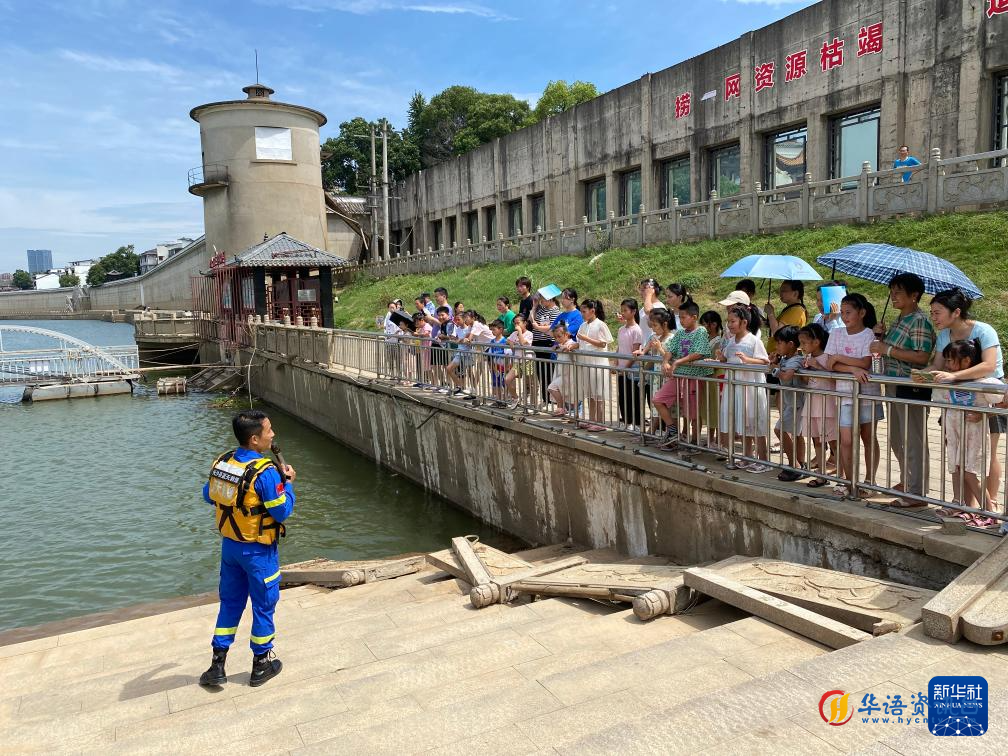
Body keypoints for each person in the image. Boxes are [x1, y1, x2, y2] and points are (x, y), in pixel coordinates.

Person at [199, 410, 295, 688]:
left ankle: (217, 665)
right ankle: (261, 665)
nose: (273, 434)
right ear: (254, 439)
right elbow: (282, 512)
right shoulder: (266, 472)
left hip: (230, 548)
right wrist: (288, 484)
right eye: (269, 430)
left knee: (230, 603)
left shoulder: (223, 462)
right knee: (263, 605)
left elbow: (208, 495)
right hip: (258, 552)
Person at [921, 288, 1005, 509]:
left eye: (937, 312)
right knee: (957, 453)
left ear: (956, 312)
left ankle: (990, 505)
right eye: (932, 313)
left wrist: (955, 376)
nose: (934, 318)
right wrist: (921, 375)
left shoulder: (984, 331)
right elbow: (938, 366)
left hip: (987, 395)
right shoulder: (944, 335)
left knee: (986, 453)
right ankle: (963, 504)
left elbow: (988, 365)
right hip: (956, 398)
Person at [868, 273, 935, 507]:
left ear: (914, 295)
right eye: (892, 292)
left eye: (898, 292)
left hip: (910, 386)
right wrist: (881, 336)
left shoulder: (919, 320)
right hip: (894, 385)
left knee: (913, 440)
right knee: (898, 439)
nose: (893, 296)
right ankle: (909, 482)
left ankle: (917, 493)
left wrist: (886, 349)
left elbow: (922, 356)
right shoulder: (900, 319)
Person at [932, 339, 1006, 520]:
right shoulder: (948, 383)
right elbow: (939, 398)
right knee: (956, 468)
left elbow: (1001, 402)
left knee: (970, 472)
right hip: (955, 434)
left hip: (974, 436)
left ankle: (988, 511)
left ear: (966, 361)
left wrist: (984, 414)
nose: (946, 365)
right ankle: (960, 504)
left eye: (950, 360)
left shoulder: (984, 382)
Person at [825, 293, 883, 498]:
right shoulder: (836, 333)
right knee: (847, 440)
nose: (844, 316)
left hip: (867, 393)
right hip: (844, 394)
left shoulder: (869, 334)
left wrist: (840, 359)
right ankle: (849, 480)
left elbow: (866, 362)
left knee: (868, 437)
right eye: (842, 312)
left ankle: (869, 480)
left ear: (862, 313)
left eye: (848, 312)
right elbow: (830, 363)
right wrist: (851, 368)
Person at [652, 301, 711, 449]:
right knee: (658, 399)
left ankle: (694, 442)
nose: (681, 320)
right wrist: (666, 361)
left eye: (684, 317)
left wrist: (678, 361)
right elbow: (670, 349)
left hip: (693, 377)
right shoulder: (680, 333)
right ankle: (672, 430)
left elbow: (699, 353)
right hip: (678, 376)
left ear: (694, 317)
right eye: (680, 317)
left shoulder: (701, 331)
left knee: (693, 412)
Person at [719, 305, 770, 471]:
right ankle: (747, 457)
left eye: (733, 321)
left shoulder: (754, 341)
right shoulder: (731, 341)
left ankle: (764, 460)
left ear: (744, 322)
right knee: (743, 422)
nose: (730, 325)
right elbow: (727, 358)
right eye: (728, 321)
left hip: (751, 387)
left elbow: (765, 361)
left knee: (755, 422)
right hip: (735, 388)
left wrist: (748, 360)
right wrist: (720, 358)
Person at [798, 323, 838, 487]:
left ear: (816, 342)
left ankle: (843, 475)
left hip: (827, 405)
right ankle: (821, 474)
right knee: (817, 440)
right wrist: (805, 370)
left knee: (833, 441)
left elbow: (833, 378)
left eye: (804, 342)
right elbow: (806, 380)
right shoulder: (807, 358)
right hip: (812, 402)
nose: (802, 346)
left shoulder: (827, 357)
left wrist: (817, 366)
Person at [571, 298, 613, 432]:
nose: (582, 314)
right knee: (590, 393)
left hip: (598, 363)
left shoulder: (600, 325)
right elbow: (580, 343)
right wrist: (572, 346)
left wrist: (586, 339)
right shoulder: (583, 325)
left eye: (584, 311)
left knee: (599, 393)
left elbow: (603, 343)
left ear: (592, 311)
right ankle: (591, 419)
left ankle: (601, 421)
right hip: (586, 362)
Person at [771, 325, 807, 481]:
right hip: (791, 403)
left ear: (791, 344)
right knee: (797, 434)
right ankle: (800, 463)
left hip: (796, 403)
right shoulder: (786, 359)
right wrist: (775, 363)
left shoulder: (796, 360)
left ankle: (795, 465)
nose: (777, 346)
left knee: (779, 430)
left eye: (779, 343)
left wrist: (775, 369)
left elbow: (786, 376)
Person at [530, 290, 562, 407]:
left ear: (550, 298)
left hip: (548, 343)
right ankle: (545, 399)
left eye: (543, 298)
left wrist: (538, 327)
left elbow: (553, 327)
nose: (541, 301)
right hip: (537, 342)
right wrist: (534, 307)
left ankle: (551, 400)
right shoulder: (541, 309)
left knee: (549, 372)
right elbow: (531, 320)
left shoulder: (555, 310)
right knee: (541, 373)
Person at [616, 299, 644, 430]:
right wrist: (616, 363)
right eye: (622, 310)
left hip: (632, 368)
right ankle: (626, 420)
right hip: (621, 368)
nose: (623, 313)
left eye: (625, 310)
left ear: (633, 312)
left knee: (633, 396)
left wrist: (626, 367)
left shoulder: (636, 330)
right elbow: (619, 347)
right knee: (622, 395)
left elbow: (635, 352)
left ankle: (636, 422)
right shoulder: (621, 329)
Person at [700, 311, 725, 449]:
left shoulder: (718, 341)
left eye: (705, 324)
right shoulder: (706, 339)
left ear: (713, 325)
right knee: (709, 409)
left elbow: (717, 361)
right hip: (707, 378)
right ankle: (710, 439)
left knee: (716, 409)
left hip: (715, 379)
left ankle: (718, 440)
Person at [764, 280, 808, 354]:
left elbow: (778, 333)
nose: (780, 293)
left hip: (780, 355)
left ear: (795, 293)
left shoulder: (796, 311)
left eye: (784, 291)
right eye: (780, 290)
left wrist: (770, 313)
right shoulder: (791, 309)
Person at [504, 313, 534, 407]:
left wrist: (520, 332)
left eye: (518, 323)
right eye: (515, 323)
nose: (516, 325)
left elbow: (523, 343)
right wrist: (510, 342)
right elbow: (507, 340)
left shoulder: (529, 334)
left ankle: (532, 403)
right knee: (508, 379)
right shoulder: (514, 333)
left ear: (525, 323)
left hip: (527, 361)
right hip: (517, 361)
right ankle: (515, 397)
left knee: (529, 383)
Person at [547, 323, 576, 415]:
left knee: (553, 387)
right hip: (561, 372)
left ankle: (564, 409)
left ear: (566, 334)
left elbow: (574, 357)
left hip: (569, 373)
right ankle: (562, 408)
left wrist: (567, 349)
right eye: (555, 337)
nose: (557, 339)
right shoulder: (560, 345)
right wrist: (557, 347)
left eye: (559, 336)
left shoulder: (572, 344)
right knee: (559, 390)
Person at [487, 319, 511, 406]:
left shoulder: (505, 341)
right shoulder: (492, 342)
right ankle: (498, 400)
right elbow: (490, 355)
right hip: (495, 366)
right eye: (492, 330)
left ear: (501, 329)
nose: (492, 332)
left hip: (504, 367)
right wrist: (493, 367)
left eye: (494, 329)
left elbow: (508, 355)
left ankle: (505, 400)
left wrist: (507, 367)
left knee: (504, 383)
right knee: (496, 383)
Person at [638, 279, 667, 347]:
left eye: (643, 290)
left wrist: (649, 294)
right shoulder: (644, 307)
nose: (640, 293)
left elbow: (649, 311)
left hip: (653, 346)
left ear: (652, 291)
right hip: (644, 346)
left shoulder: (659, 306)